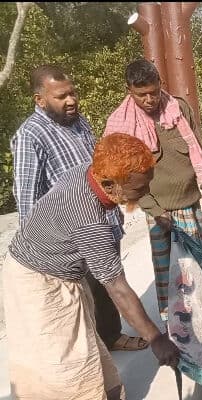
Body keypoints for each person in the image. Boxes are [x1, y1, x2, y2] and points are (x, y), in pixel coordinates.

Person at [3, 133, 180, 400]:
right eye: (139, 189)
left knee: (87, 355)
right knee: (63, 371)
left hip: (57, 272)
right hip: (37, 284)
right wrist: (156, 338)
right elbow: (117, 289)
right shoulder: (90, 221)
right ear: (111, 185)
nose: (146, 192)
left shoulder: (89, 171)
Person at [10, 64, 147, 352]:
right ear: (40, 100)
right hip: (69, 233)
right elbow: (27, 199)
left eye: (72, 93)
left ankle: (111, 336)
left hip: (103, 217)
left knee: (108, 285)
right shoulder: (30, 136)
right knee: (81, 299)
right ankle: (92, 349)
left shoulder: (79, 122)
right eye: (61, 96)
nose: (71, 101)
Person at [104, 59, 202, 322]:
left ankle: (201, 313)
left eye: (153, 92)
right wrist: (155, 210)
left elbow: (196, 149)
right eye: (141, 94)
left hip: (189, 200)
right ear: (129, 90)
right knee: (163, 266)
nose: (149, 99)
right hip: (154, 206)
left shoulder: (178, 109)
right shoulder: (120, 124)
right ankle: (171, 320)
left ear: (160, 85)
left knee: (195, 262)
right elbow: (123, 176)